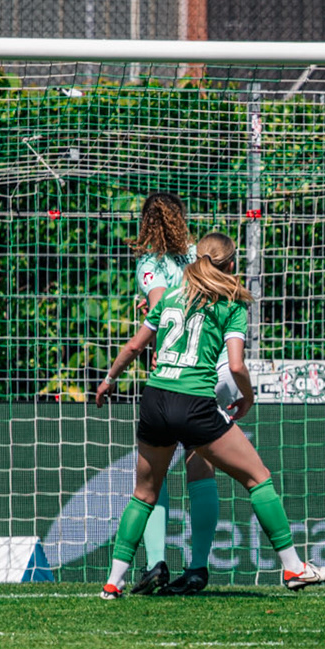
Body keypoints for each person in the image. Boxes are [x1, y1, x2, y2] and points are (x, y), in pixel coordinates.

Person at [92, 232, 325, 597]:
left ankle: (113, 582)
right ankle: (294, 568)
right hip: (195, 404)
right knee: (258, 478)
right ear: (232, 264)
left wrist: (108, 380)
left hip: (155, 399)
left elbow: (134, 346)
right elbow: (235, 365)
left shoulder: (169, 296)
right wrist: (248, 397)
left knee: (143, 494)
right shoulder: (232, 303)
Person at [127, 192, 229, 596]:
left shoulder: (150, 264)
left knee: (154, 474)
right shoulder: (198, 254)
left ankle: (156, 563)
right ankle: (199, 566)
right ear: (181, 219)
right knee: (201, 468)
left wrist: (156, 347)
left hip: (178, 374)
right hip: (216, 366)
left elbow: (158, 308)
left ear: (145, 224)